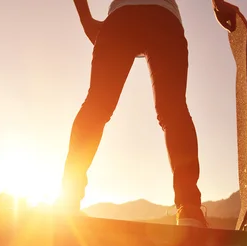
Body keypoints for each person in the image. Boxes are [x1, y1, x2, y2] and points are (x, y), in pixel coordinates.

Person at [58, 0, 237, 227]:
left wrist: (85, 19)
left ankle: (68, 201)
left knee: (97, 104)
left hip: (121, 18)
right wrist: (217, 3)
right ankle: (189, 208)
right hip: (163, 18)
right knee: (173, 110)